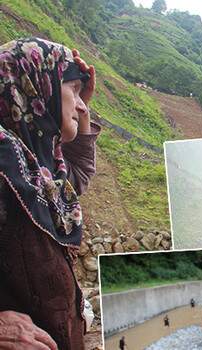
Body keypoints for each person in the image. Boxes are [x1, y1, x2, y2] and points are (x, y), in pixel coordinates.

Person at [0, 37, 99, 349]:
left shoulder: (37, 170)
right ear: (36, 87)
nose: (82, 104)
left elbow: (79, 176)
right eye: (71, 88)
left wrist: (81, 107)